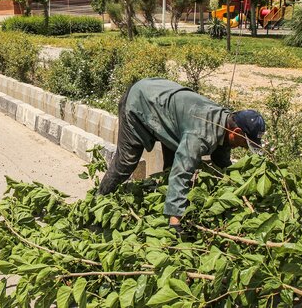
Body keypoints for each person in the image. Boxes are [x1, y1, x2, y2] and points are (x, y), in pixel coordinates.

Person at [98, 78, 265, 232]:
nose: (244, 148)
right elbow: (182, 172)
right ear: (235, 132)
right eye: (245, 143)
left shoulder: (226, 121)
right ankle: (99, 202)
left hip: (163, 102)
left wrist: (241, 185)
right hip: (140, 101)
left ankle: (162, 201)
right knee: (126, 162)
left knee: (170, 165)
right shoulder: (200, 135)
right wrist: (175, 220)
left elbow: (221, 160)